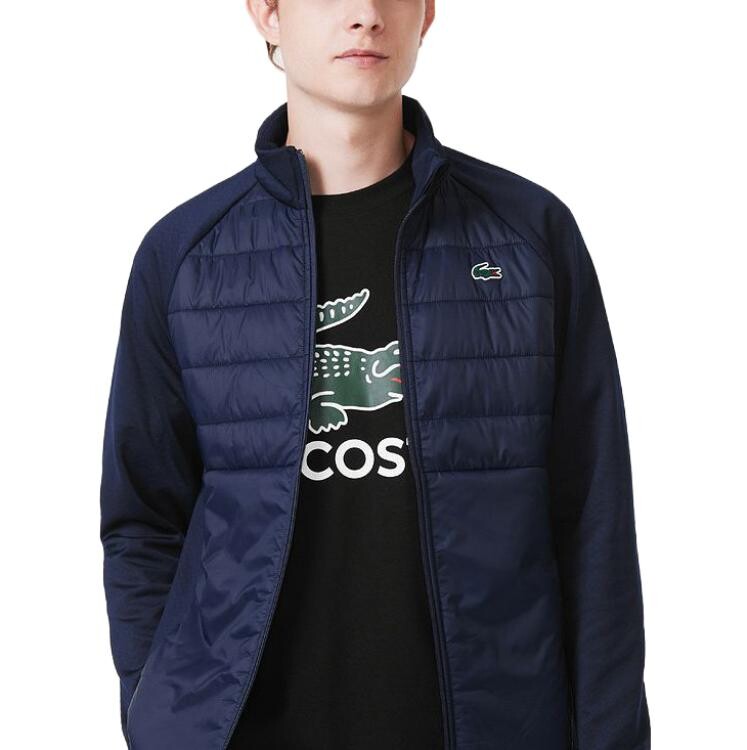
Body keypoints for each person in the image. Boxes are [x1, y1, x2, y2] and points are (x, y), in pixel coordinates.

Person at [99, 1, 651, 748]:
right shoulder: (185, 255)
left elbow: (594, 517)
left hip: (485, 724)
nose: (364, 15)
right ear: (268, 13)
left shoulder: (528, 236)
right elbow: (143, 517)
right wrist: (157, 711)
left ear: (426, 13)